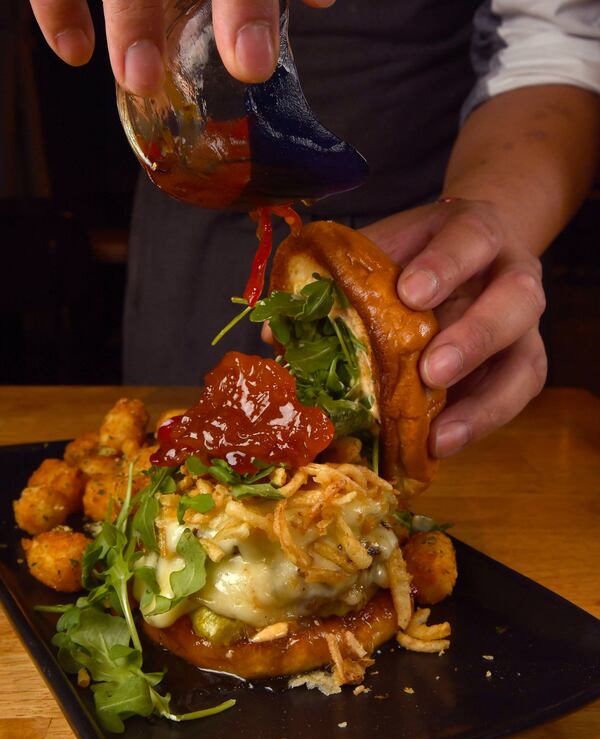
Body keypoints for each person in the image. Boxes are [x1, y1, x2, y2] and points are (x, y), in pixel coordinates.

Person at [29, 0, 600, 459]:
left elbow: (553, 48)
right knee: (168, 458)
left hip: (421, 233)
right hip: (192, 198)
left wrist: (490, 214)